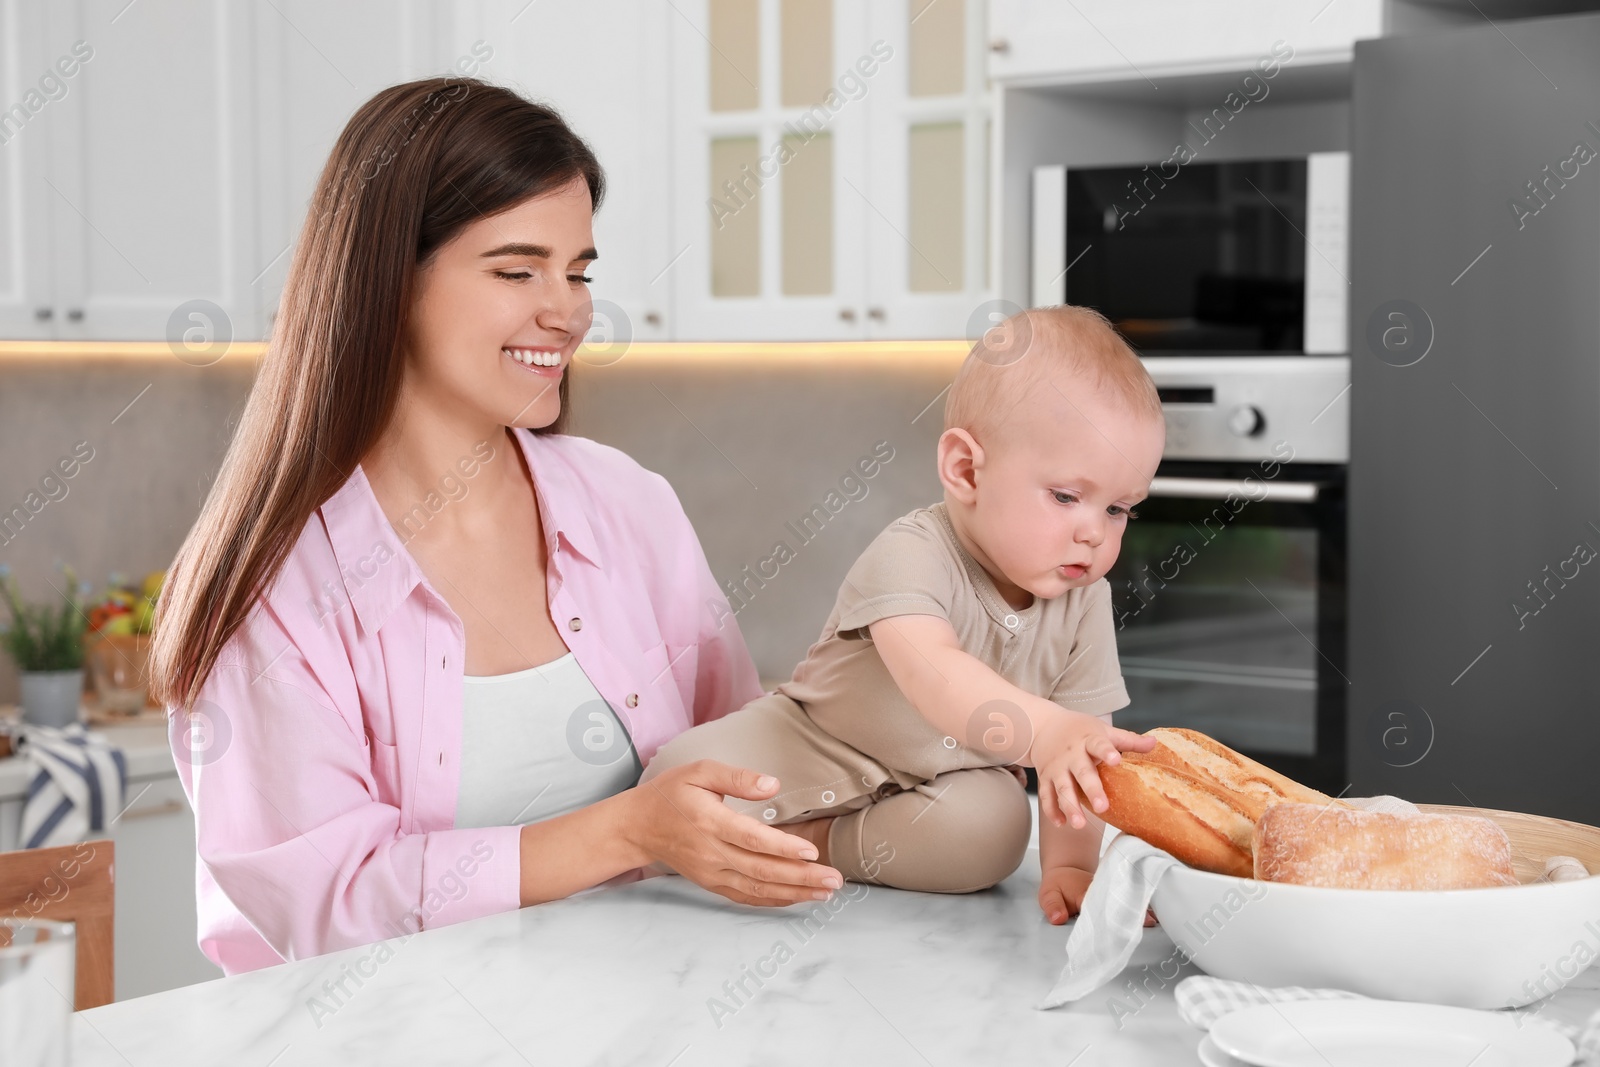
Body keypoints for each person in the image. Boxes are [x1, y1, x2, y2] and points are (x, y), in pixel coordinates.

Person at [147, 77, 840, 974]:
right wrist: (628, 829)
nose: (570, 309)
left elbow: (745, 763)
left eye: (579, 269)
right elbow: (332, 903)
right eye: (518, 270)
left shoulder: (628, 505)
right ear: (389, 279)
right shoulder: (278, 588)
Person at [641, 305, 1167, 925]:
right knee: (675, 784)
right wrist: (1048, 732)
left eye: (1120, 510)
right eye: (1067, 497)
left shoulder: (1085, 602)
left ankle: (817, 844)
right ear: (966, 470)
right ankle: (763, 834)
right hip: (815, 741)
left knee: (994, 831)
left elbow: (1081, 761)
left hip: (942, 780)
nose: (1094, 535)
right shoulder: (911, 552)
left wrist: (1072, 868)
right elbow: (935, 675)